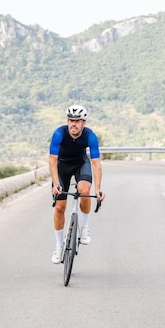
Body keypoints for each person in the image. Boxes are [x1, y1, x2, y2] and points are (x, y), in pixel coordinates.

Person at [49, 105, 106, 264]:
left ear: (83, 123)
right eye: (71, 120)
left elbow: (96, 163)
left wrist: (99, 189)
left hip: (81, 163)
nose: (73, 124)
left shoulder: (90, 136)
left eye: (77, 121)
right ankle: (59, 247)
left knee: (84, 190)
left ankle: (85, 227)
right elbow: (52, 161)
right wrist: (55, 183)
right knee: (60, 207)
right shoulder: (59, 134)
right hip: (62, 166)